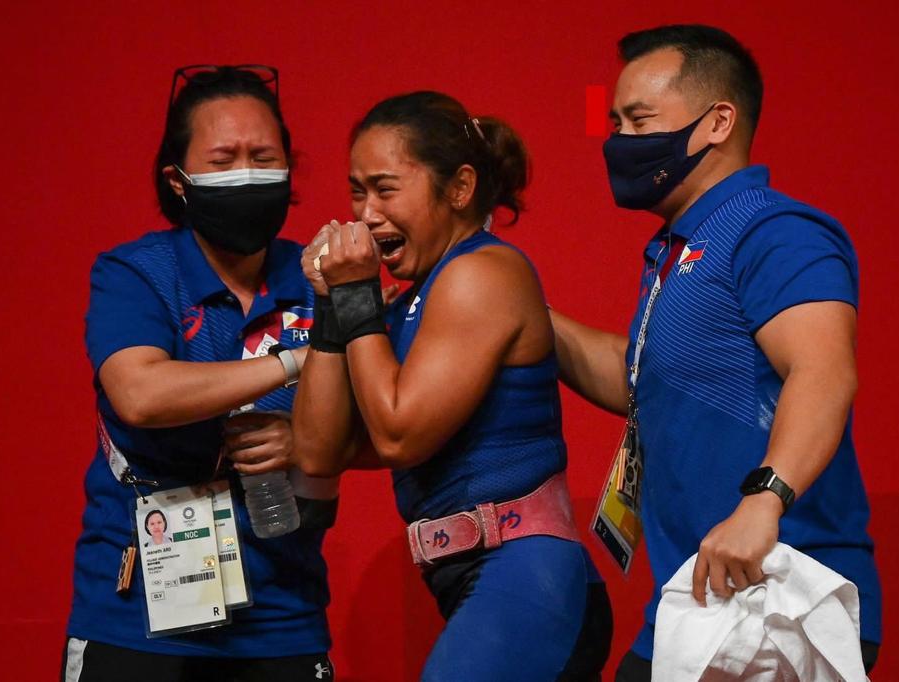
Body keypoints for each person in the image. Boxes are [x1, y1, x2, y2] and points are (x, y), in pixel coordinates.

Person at [548, 25, 883, 679]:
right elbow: (641, 379)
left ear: (717, 122)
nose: (619, 140)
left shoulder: (773, 230)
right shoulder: (678, 252)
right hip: (697, 605)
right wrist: (518, 309)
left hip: (786, 600)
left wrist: (764, 500)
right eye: (615, 121)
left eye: (639, 119)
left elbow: (824, 369)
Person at [292, 91, 612, 681]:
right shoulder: (414, 299)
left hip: (527, 578)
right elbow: (317, 452)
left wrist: (358, 296)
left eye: (386, 189)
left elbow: (397, 435)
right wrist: (333, 307)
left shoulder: (482, 273)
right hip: (474, 580)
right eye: (357, 191)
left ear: (460, 189)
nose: (365, 213)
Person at [62, 65, 336, 682]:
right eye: (223, 159)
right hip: (137, 617)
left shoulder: (320, 277)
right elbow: (140, 394)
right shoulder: (136, 274)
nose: (247, 172)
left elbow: (384, 420)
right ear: (178, 180)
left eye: (264, 156)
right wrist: (293, 361)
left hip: (283, 617)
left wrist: (310, 442)